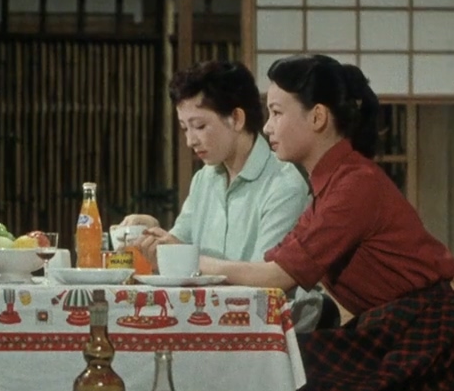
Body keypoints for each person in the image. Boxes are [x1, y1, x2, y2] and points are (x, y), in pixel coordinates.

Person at [201, 54, 454, 391]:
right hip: (389, 331)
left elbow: (277, 279)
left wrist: (195, 262)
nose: (268, 126)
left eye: (276, 113)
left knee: (298, 382)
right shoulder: (326, 189)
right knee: (279, 367)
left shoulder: (354, 185)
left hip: (434, 336)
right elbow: (272, 266)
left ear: (318, 118)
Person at [120, 60, 332, 332]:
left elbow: (263, 282)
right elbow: (180, 244)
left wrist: (180, 257)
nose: (190, 141)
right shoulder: (205, 179)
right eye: (185, 128)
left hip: (264, 328)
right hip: (204, 318)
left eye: (199, 126)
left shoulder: (283, 184)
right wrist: (152, 233)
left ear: (237, 119)